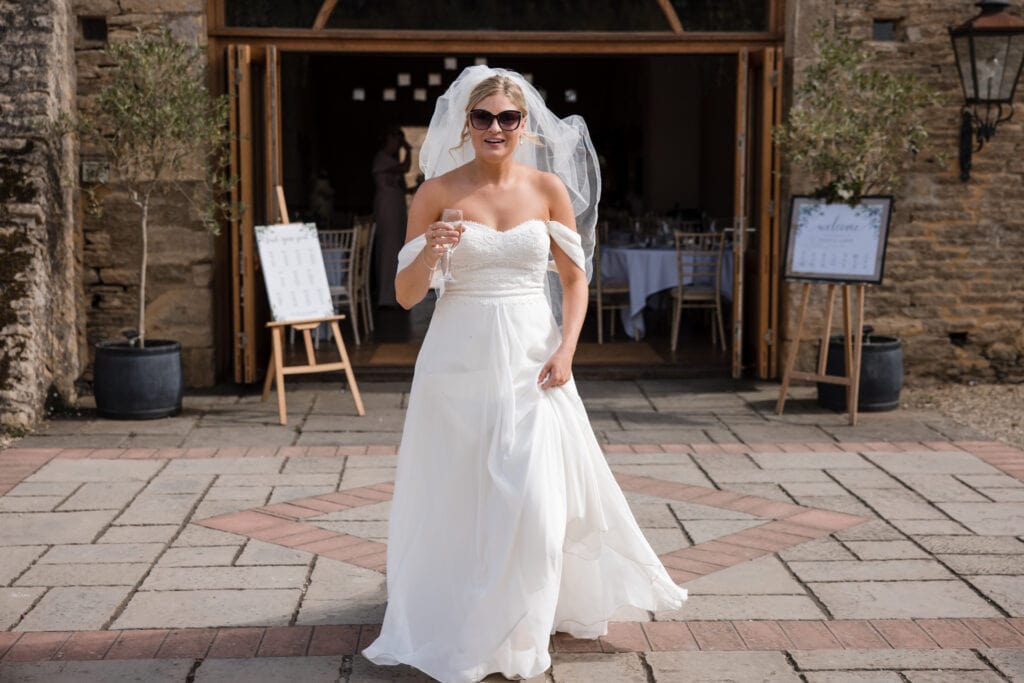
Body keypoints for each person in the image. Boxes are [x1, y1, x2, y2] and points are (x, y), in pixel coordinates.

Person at [362, 66, 687, 683]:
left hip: (532, 358)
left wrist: (567, 350)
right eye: (483, 118)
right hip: (457, 359)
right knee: (459, 494)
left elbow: (573, 281)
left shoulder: (547, 190)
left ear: (524, 125)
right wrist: (433, 248)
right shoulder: (434, 191)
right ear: (467, 124)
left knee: (537, 502)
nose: (495, 128)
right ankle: (463, 617)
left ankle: (523, 625)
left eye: (507, 118)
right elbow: (405, 297)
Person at [372, 126, 413, 307]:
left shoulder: (390, 161)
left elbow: (403, 187)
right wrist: (409, 149)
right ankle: (385, 296)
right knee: (387, 249)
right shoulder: (381, 159)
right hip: (386, 208)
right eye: (395, 141)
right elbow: (405, 167)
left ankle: (395, 295)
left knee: (396, 250)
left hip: (396, 208)